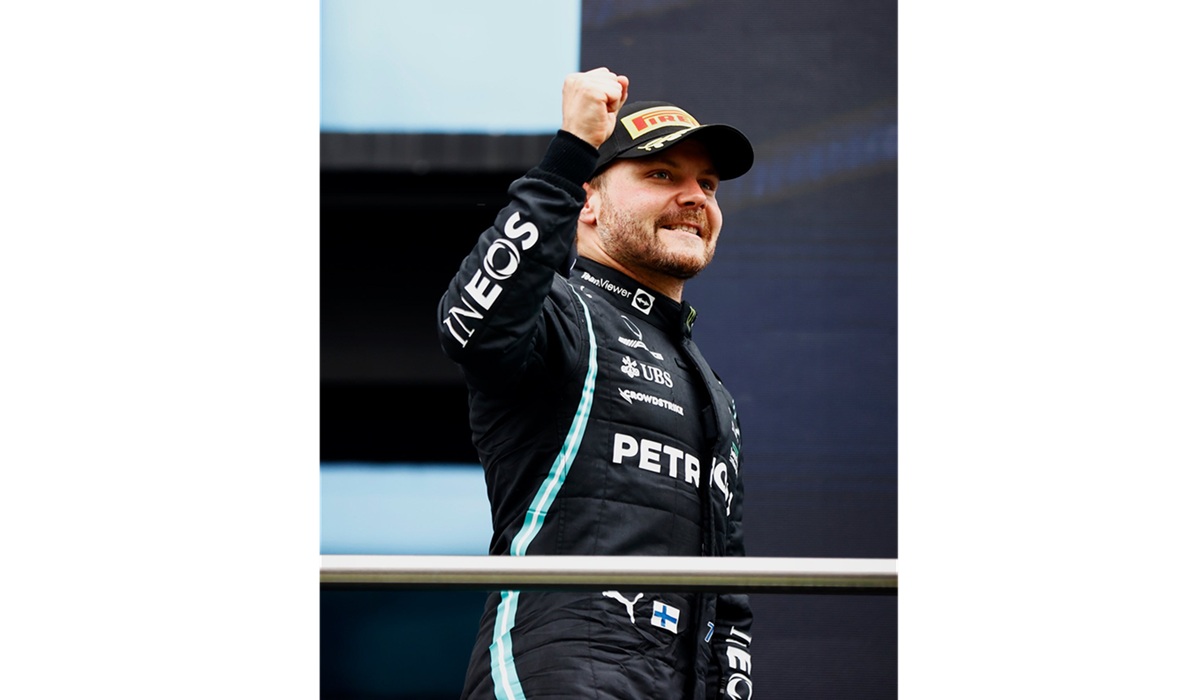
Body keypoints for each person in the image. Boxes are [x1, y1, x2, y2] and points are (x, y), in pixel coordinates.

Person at [438, 67, 755, 700]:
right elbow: (470, 324)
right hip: (556, 674)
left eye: (707, 184)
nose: (695, 197)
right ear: (587, 201)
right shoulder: (559, 312)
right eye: (661, 175)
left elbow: (729, 595)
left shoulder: (711, 387)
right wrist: (570, 151)